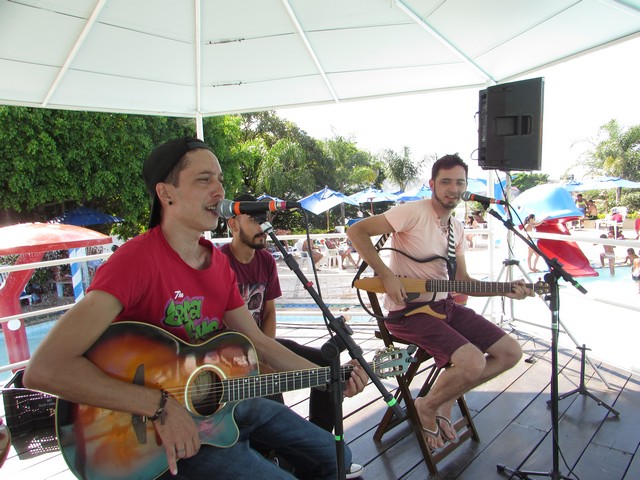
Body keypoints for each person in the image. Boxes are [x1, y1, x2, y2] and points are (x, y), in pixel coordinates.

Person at [24, 137, 367, 479]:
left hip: (221, 410)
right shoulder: (136, 262)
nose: (220, 192)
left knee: (337, 456)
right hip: (156, 438)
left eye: (220, 180)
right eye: (204, 180)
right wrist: (158, 406)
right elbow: (45, 369)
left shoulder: (217, 263)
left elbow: (259, 343)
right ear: (166, 193)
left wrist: (329, 379)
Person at [347, 154, 527, 450]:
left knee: (510, 352)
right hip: (408, 313)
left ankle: (444, 397)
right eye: (446, 182)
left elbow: (463, 281)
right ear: (432, 184)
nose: (453, 189)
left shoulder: (456, 228)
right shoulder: (413, 212)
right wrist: (387, 274)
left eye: (460, 182)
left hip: (445, 307)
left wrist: (505, 289)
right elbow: (357, 231)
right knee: (472, 361)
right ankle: (428, 406)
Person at [219, 193, 364, 478]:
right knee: (270, 395)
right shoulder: (220, 262)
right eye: (254, 219)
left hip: (263, 344)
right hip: (227, 358)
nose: (263, 225)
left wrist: (266, 350)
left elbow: (269, 312)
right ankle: (275, 455)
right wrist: (259, 360)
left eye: (266, 218)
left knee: (326, 368)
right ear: (233, 225)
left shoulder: (266, 261)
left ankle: (316, 445)